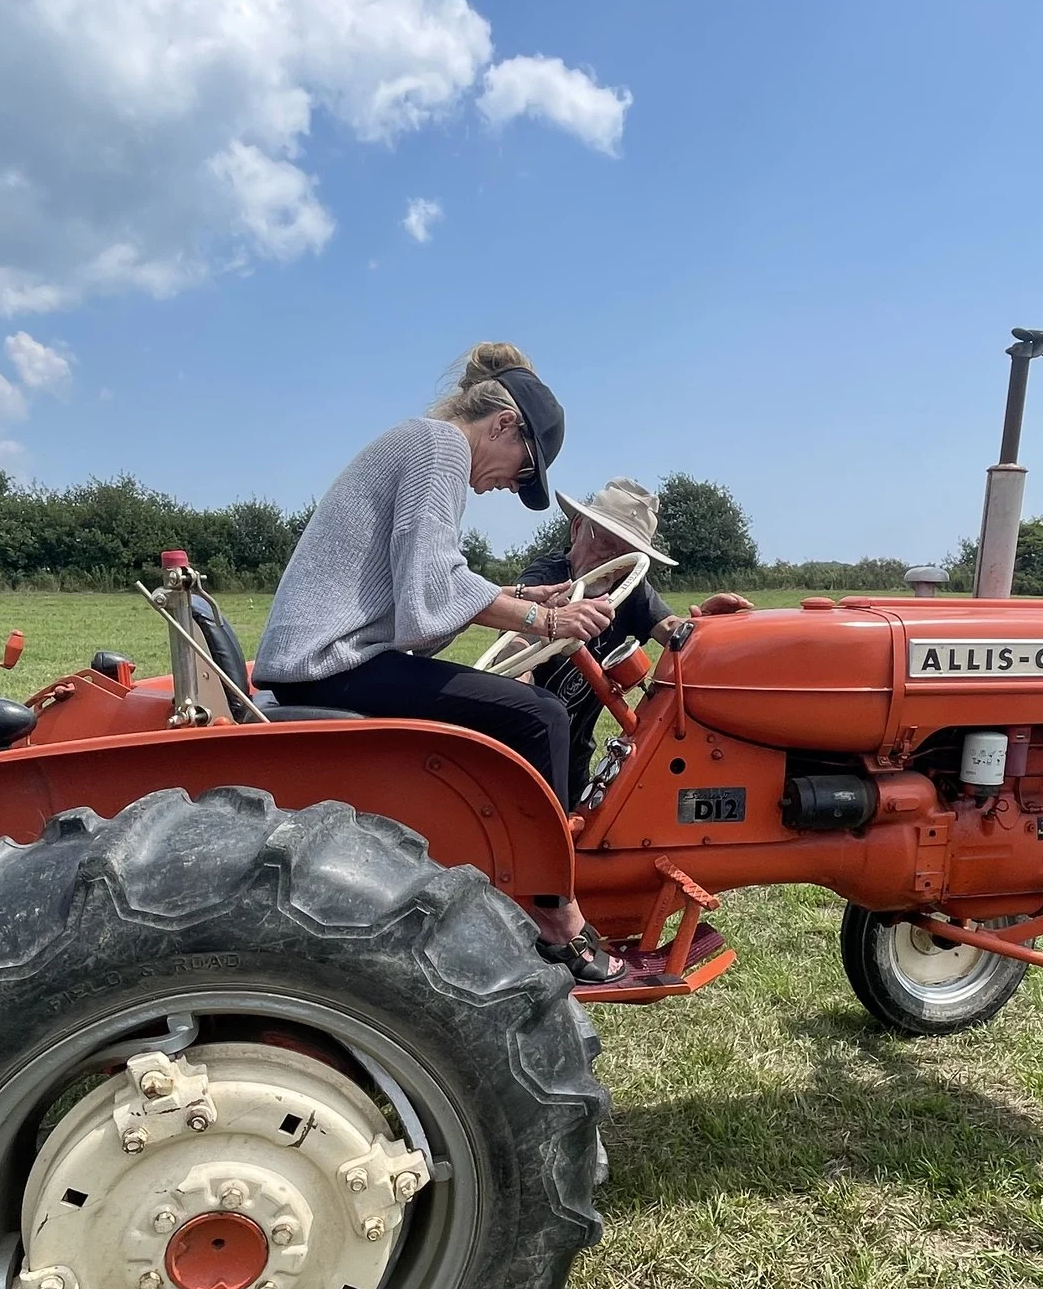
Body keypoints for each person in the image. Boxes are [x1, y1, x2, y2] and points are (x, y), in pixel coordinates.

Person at [254, 342, 629, 983]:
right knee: (541, 715)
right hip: (330, 661)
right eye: (524, 471)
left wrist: (520, 597)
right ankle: (554, 914)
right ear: (504, 426)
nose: (511, 486)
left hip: (327, 657)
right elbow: (432, 588)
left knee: (523, 712)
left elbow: (421, 584)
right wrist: (544, 620)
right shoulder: (440, 447)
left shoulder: (418, 441)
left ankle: (521, 876)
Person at [516, 478, 752, 787]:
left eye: (627, 555)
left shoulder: (628, 589)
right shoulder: (546, 579)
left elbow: (669, 629)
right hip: (523, 749)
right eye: (605, 542)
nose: (613, 563)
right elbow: (517, 640)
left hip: (573, 757)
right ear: (577, 528)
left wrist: (705, 625)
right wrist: (523, 687)